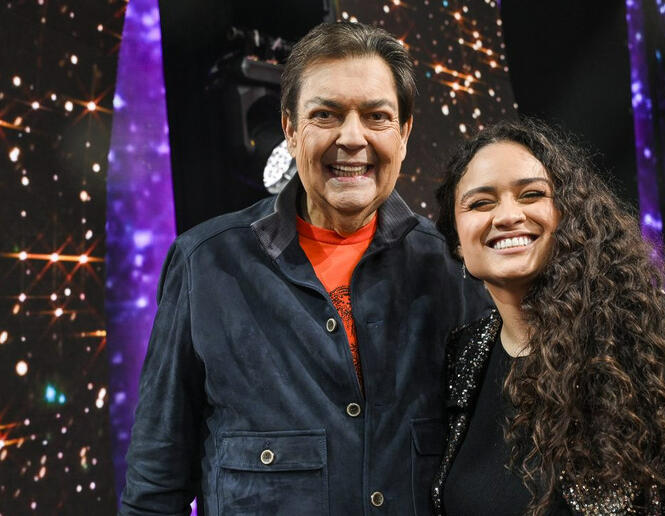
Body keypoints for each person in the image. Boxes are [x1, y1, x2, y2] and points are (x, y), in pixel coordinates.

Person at [120, 22, 488, 515]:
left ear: (403, 135)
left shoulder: (452, 265)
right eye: (326, 115)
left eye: (376, 116)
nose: (351, 138)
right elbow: (154, 485)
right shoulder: (204, 264)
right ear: (291, 131)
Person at [431, 119, 665, 515]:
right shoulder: (462, 358)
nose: (507, 215)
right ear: (456, 241)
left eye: (531, 194)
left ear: (569, 214)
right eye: (480, 203)